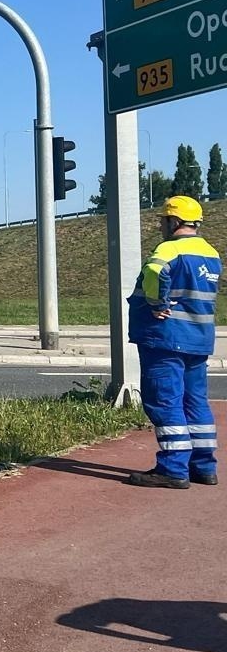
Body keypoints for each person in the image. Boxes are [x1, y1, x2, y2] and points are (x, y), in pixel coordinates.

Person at [126, 195, 219, 488]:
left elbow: (155, 271)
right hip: (198, 338)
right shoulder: (211, 253)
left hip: (166, 338)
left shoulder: (168, 249)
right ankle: (204, 467)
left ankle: (173, 469)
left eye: (163, 221)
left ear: (174, 221)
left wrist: (157, 302)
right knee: (196, 403)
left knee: (165, 401)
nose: (161, 226)